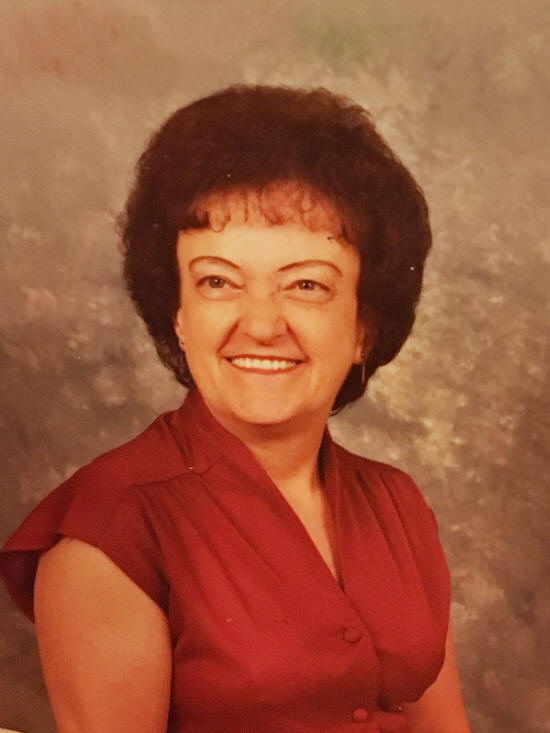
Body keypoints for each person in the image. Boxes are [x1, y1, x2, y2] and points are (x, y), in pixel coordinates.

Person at [0, 85, 471, 732]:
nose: (261, 324)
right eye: (218, 281)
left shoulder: (399, 506)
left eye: (306, 284)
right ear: (178, 314)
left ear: (364, 327)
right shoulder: (109, 535)